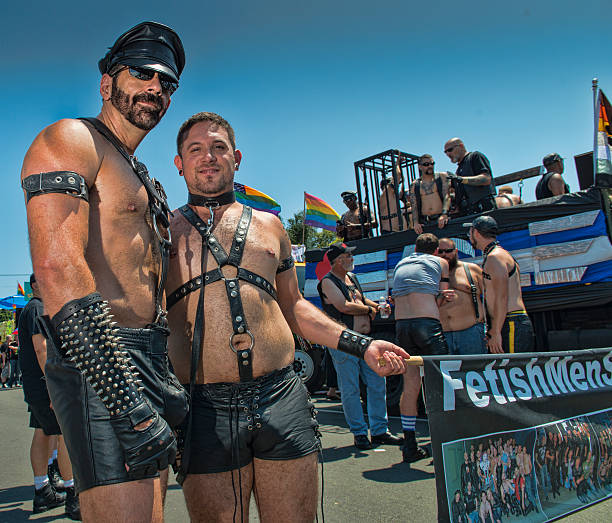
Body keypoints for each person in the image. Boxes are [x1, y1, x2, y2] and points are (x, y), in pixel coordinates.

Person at [165, 111, 409, 521]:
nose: (208, 157)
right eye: (196, 149)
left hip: (281, 397)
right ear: (180, 163)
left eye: (218, 147)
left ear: (236, 157)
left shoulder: (271, 227)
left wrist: (362, 345)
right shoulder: (161, 231)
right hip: (203, 406)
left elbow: (294, 307)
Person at [21, 21, 188, 522]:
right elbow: (57, 269)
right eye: (143, 73)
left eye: (168, 83)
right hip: (103, 358)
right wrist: (125, 397)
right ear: (106, 83)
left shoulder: (140, 173)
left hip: (151, 360)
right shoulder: (71, 139)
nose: (156, 87)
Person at [318, 242, 401, 450]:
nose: (352, 259)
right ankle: (360, 433)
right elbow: (343, 306)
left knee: (376, 383)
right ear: (337, 260)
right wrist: (368, 310)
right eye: (348, 256)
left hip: (365, 340)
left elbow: (361, 299)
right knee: (350, 389)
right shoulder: (327, 282)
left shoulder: (351, 278)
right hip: (344, 340)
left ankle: (380, 430)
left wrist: (379, 306)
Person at [18, 274, 81, 519]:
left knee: (43, 431)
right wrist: (54, 384)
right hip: (45, 384)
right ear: (36, 285)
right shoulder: (37, 308)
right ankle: (73, 493)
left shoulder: (30, 308)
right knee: (65, 435)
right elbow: (40, 346)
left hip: (36, 384)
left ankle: (42, 488)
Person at [392, 233, 454, 462]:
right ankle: (443, 441)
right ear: (436, 251)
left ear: (415, 249)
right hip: (427, 324)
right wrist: (444, 295)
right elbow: (441, 297)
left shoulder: (401, 263)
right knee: (440, 383)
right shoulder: (440, 263)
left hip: (402, 326)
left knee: (410, 386)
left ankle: (409, 445)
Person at [464, 216, 534, 353]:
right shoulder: (495, 255)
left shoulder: (495, 257)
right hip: (505, 321)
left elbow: (502, 297)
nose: (469, 236)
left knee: (514, 371)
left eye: (470, 232)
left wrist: (496, 332)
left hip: (511, 321)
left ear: (476, 232)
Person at [436, 238, 487, 355]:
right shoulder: (431, 274)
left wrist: (493, 331)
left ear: (456, 251)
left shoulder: (471, 269)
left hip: (471, 333)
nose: (444, 255)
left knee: (476, 371)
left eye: (448, 251)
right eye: (441, 251)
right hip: (443, 335)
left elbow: (492, 299)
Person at [444, 138, 496, 216]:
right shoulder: (458, 170)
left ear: (461, 146)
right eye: (445, 152)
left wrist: (461, 179)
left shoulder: (475, 156)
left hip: (484, 208)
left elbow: (486, 179)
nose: (448, 154)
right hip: (468, 212)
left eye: (450, 150)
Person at [409, 154, 450, 234]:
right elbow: (414, 205)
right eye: (426, 164)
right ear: (420, 167)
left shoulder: (442, 177)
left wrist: (444, 214)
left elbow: (446, 196)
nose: (430, 166)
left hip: (441, 220)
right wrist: (415, 223)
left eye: (432, 163)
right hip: (425, 223)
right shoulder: (415, 184)